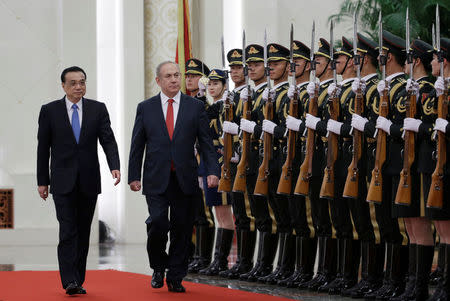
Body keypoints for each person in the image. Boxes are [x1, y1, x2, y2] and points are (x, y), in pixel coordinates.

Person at [128, 61, 219, 293]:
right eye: (168, 76)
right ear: (158, 80)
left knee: (182, 227)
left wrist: (212, 171)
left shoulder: (195, 107)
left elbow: (206, 143)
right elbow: (137, 145)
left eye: (177, 75)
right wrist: (133, 175)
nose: (174, 80)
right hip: (156, 177)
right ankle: (158, 266)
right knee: (158, 222)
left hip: (185, 177)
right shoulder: (145, 107)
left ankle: (176, 275)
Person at [37, 66, 121, 295]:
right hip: (62, 181)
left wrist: (115, 166)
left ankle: (78, 279)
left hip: (88, 180)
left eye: (82, 82)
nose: (78, 87)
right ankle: (69, 280)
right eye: (73, 83)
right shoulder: (50, 111)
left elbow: (108, 140)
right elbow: (43, 148)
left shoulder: (97, 109)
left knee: (84, 231)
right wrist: (42, 181)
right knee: (68, 229)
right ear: (63, 86)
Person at [198, 69, 236, 276]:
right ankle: (217, 260)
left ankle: (220, 260)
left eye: (216, 84)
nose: (212, 87)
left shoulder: (225, 106)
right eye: (209, 84)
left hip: (221, 161)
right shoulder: (213, 106)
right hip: (208, 160)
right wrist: (201, 97)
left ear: (224, 85)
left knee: (223, 213)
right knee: (216, 211)